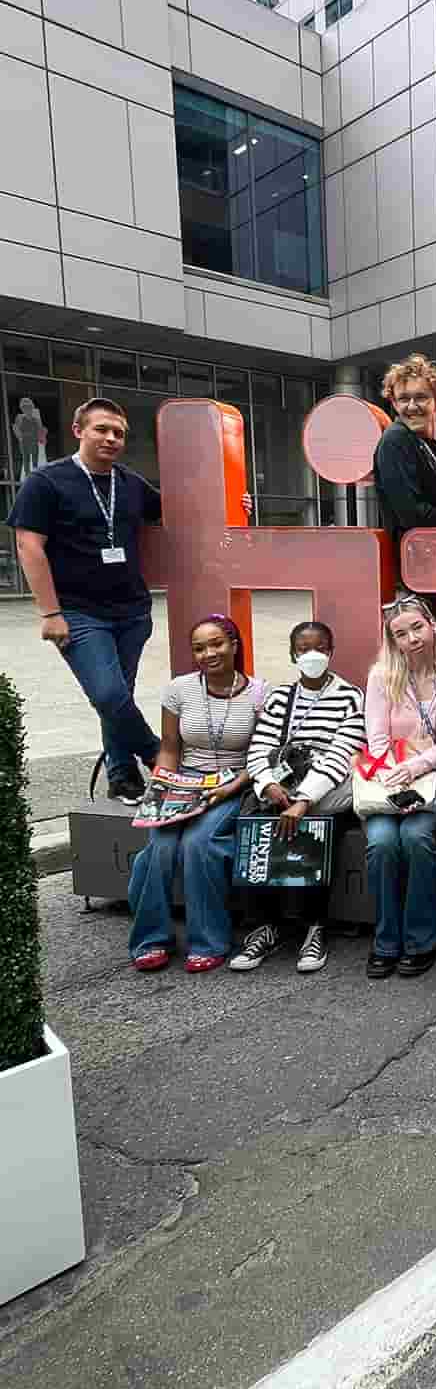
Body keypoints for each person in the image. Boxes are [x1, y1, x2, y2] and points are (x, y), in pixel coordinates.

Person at [7, 397, 163, 805]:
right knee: (109, 695)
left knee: (117, 699)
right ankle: (159, 758)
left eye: (119, 433)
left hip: (132, 612)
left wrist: (236, 501)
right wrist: (50, 612)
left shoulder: (130, 483)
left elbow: (178, 510)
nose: (111, 438)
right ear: (79, 431)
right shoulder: (47, 482)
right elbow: (28, 546)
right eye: (102, 429)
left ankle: (122, 777)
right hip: (78, 613)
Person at [127, 615, 265, 973]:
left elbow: (263, 754)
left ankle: (209, 942)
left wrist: (233, 785)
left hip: (234, 784)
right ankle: (151, 940)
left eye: (217, 643)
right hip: (185, 781)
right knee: (160, 846)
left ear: (234, 644)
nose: (209, 653)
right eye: (199, 648)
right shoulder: (179, 690)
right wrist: (161, 785)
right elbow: (170, 747)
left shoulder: (259, 693)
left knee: (198, 843)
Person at [231, 622, 366, 976]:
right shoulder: (280, 697)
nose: (312, 655)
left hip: (325, 788)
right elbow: (259, 748)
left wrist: (303, 800)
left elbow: (342, 754)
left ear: (331, 651)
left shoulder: (350, 697)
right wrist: (267, 785)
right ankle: (265, 926)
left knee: (315, 828)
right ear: (293, 654)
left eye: (320, 648)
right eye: (304, 649)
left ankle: (314, 927)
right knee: (258, 829)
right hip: (281, 784)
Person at [359, 593, 436, 979]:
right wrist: (395, 773)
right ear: (393, 641)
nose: (412, 638)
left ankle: (421, 941)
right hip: (388, 781)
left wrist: (415, 766)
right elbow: (377, 739)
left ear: (433, 627)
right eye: (401, 634)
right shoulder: (381, 677)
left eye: (417, 628)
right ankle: (386, 941)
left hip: (434, 782)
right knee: (382, 842)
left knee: (416, 837)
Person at [372, 355, 436, 578]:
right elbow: (413, 515)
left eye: (421, 397)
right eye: (404, 399)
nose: (412, 407)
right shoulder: (395, 441)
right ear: (394, 404)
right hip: (417, 570)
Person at [12, 396, 45, 479]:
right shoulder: (20, 418)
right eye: (25, 407)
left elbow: (40, 430)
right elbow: (15, 428)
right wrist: (20, 437)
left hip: (34, 441)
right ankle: (27, 475)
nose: (27, 409)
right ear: (22, 409)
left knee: (35, 458)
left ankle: (35, 474)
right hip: (25, 442)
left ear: (31, 408)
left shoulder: (35, 420)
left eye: (29, 407)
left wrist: (42, 435)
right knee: (26, 459)